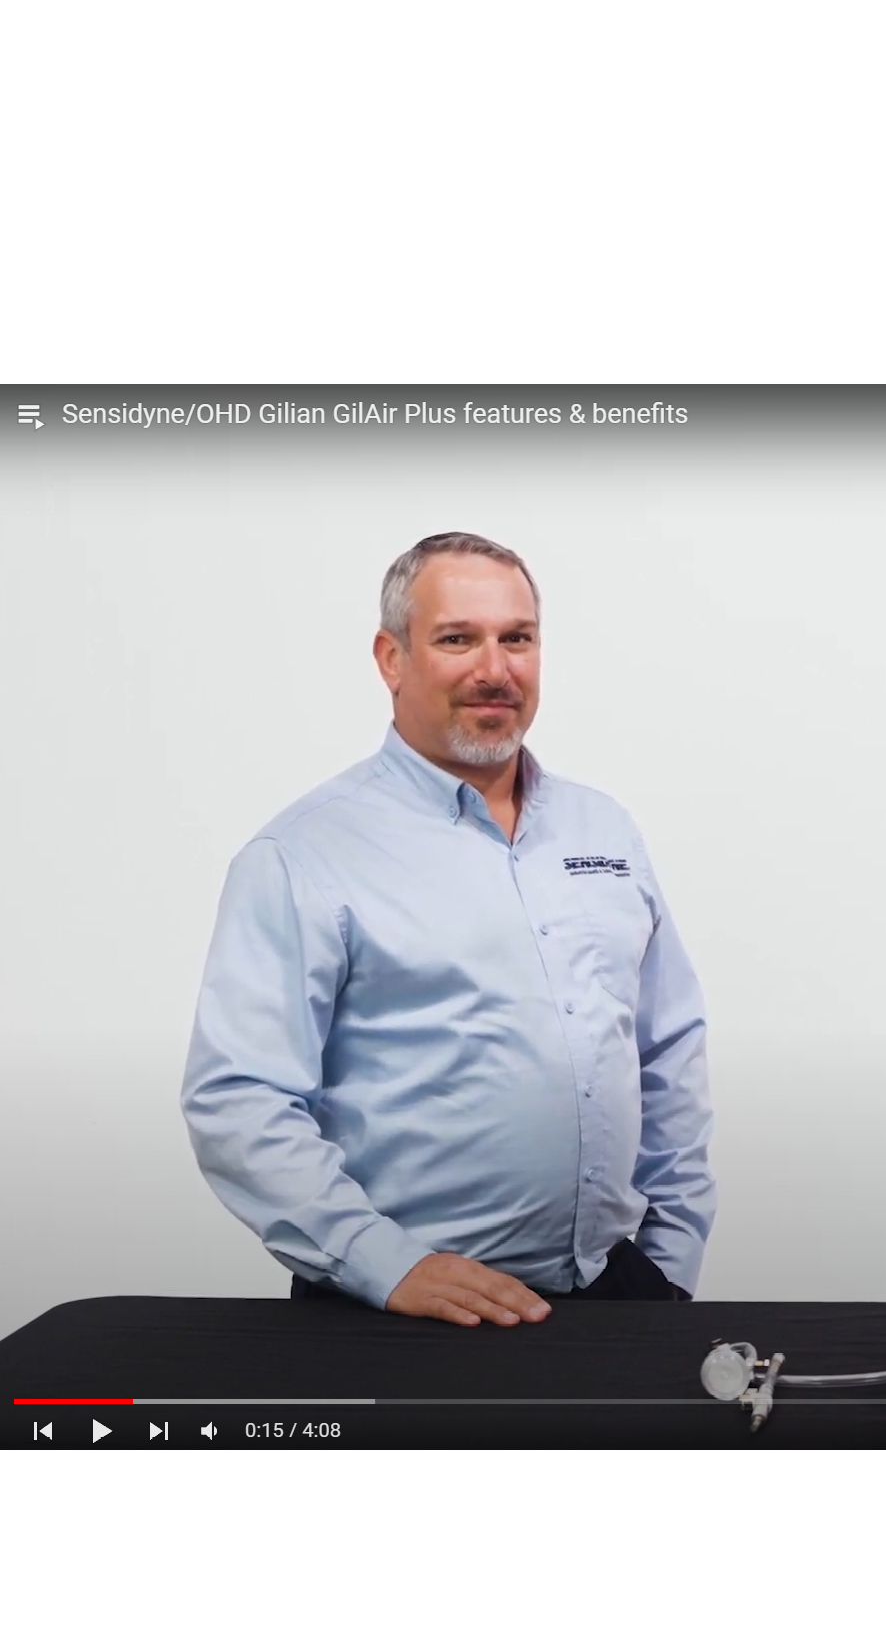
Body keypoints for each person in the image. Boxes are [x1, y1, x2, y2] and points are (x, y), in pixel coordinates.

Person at [181, 532, 715, 1326]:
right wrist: (384, 1263)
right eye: (458, 639)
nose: (494, 669)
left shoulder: (602, 827)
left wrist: (670, 1257)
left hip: (614, 1292)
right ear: (391, 658)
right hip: (399, 1311)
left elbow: (666, 1047)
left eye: (517, 638)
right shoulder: (302, 854)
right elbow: (238, 1098)